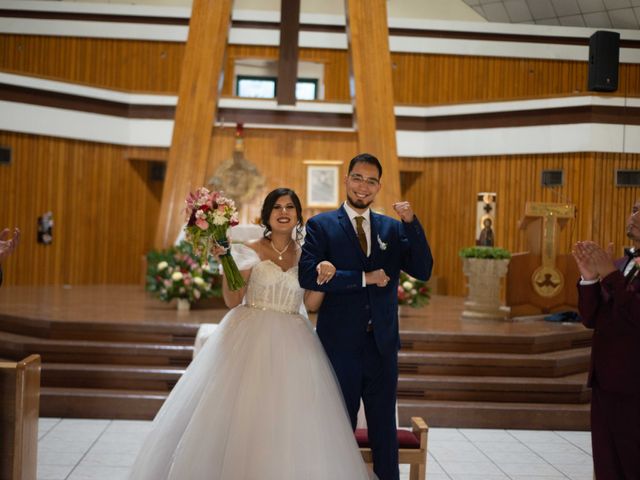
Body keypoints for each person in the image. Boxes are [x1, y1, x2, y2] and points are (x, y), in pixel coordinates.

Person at [129, 188, 372, 480]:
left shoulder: (308, 255)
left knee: (290, 416)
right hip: (250, 332)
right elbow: (233, 300)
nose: (284, 212)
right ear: (267, 215)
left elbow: (310, 304)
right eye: (277, 207)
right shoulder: (249, 248)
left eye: (290, 207)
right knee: (243, 414)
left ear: (298, 214)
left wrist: (324, 277)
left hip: (295, 336)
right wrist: (226, 261)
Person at [299, 153, 433, 480]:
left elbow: (423, 269)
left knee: (384, 431)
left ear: (379, 187)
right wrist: (361, 278)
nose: (363, 186)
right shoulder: (322, 225)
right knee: (337, 426)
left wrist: (412, 224)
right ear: (346, 180)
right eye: (358, 178)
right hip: (339, 343)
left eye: (371, 181)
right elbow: (307, 276)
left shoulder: (391, 227)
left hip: (382, 344)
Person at [572, 210, 640, 480]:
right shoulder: (624, 262)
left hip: (634, 383)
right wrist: (589, 278)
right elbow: (592, 318)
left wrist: (611, 274)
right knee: (607, 462)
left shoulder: (616, 269)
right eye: (634, 209)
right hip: (606, 379)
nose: (633, 215)